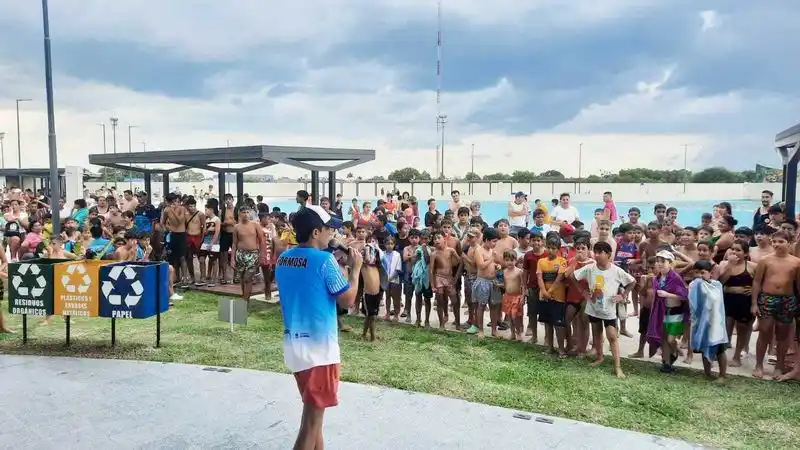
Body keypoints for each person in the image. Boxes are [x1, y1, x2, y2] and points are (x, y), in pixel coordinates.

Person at [274, 205, 362, 450]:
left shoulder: (284, 258)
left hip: (295, 346)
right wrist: (355, 271)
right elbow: (347, 300)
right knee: (310, 424)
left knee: (315, 419)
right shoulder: (325, 261)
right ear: (315, 232)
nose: (331, 234)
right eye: (328, 229)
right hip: (320, 351)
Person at [572, 241, 636, 378]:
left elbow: (632, 281)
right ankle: (600, 357)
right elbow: (573, 276)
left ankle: (618, 367)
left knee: (612, 336)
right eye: (595, 252)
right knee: (597, 334)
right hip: (594, 308)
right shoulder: (590, 268)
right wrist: (583, 291)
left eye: (599, 252)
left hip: (609, 311)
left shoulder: (616, 270)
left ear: (608, 254)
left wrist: (623, 295)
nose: (596, 255)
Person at [750, 230, 800, 380]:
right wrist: (754, 303)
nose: (777, 244)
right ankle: (759, 365)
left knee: (782, 335)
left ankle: (779, 366)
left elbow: (798, 285)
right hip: (767, 298)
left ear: (789, 244)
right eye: (774, 241)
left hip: (787, 299)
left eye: (781, 242)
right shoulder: (765, 260)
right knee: (764, 331)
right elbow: (757, 282)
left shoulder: (796, 262)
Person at [688, 260, 729, 382]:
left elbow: (716, 301)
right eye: (696, 273)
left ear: (710, 273)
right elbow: (694, 303)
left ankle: (722, 375)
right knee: (704, 346)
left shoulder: (717, 285)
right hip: (703, 323)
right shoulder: (694, 285)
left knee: (720, 349)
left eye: (702, 273)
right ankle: (707, 373)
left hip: (716, 323)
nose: (699, 276)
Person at [231, 206, 263, 304]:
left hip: (253, 254)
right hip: (240, 254)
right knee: (242, 278)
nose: (246, 214)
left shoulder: (255, 225)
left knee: (247, 278)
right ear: (239, 214)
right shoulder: (236, 227)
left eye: (247, 212)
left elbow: (261, 240)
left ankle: (245, 300)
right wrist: (232, 258)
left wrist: (262, 255)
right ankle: (245, 298)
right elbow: (234, 243)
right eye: (243, 212)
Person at [500, 250, 525, 340]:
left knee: (516, 316)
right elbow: (504, 284)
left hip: (517, 296)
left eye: (512, 260)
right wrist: (497, 285)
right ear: (504, 261)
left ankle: (518, 333)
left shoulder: (519, 272)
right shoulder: (504, 272)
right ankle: (512, 333)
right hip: (507, 296)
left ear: (516, 260)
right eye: (507, 260)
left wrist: (523, 296)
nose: (509, 262)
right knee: (510, 316)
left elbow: (523, 285)